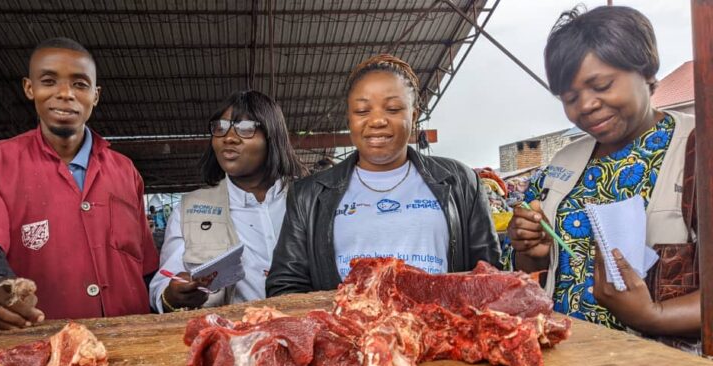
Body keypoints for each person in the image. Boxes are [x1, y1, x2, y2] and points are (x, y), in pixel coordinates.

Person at [505, 6, 700, 348]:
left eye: (602, 85)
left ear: (645, 69)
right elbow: (529, 275)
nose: (587, 105)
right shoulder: (561, 165)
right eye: (570, 98)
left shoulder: (698, 150)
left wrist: (654, 315)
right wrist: (530, 254)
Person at [0, 37, 159, 329]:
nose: (65, 93)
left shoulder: (125, 171)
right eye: (49, 81)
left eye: (80, 84)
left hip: (136, 343)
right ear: (29, 88)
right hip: (42, 347)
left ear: (95, 95)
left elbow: (146, 267)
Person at [266, 54, 500, 297]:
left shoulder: (460, 181)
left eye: (393, 109)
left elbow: (489, 277)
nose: (377, 120)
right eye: (362, 110)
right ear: (350, 118)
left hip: (441, 331)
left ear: (414, 115)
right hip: (350, 333)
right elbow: (286, 287)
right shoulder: (309, 194)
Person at [150, 90, 307, 312]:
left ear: (272, 136)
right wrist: (172, 294)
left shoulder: (308, 198)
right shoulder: (190, 210)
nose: (229, 138)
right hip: (234, 338)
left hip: (308, 333)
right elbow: (162, 284)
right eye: (220, 128)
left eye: (245, 128)